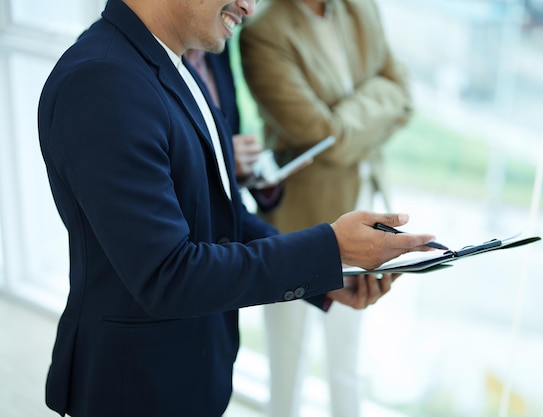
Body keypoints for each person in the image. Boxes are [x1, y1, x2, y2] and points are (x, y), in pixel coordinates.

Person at [37, 1, 436, 417]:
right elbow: (167, 275)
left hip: (189, 375)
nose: (249, 4)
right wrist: (330, 248)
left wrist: (327, 277)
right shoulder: (102, 81)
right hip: (134, 389)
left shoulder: (174, 64)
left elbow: (221, 217)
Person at [239, 0, 414, 415]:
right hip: (294, 225)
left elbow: (404, 95)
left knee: (348, 360)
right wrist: (374, 108)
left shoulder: (360, 8)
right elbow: (324, 136)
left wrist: (346, 124)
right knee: (288, 365)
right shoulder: (263, 31)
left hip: (363, 204)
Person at [184, 45, 283, 212]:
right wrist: (222, 162)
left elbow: (230, 135)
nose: (248, 16)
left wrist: (252, 172)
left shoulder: (218, 51)